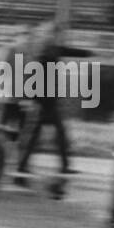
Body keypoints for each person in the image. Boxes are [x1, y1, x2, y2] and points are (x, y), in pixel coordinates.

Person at [15, 21, 73, 184]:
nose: (58, 37)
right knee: (56, 133)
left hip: (46, 100)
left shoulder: (49, 48)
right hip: (45, 100)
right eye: (56, 34)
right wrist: (30, 98)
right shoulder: (46, 50)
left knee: (38, 135)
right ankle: (63, 165)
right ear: (52, 34)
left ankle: (23, 166)